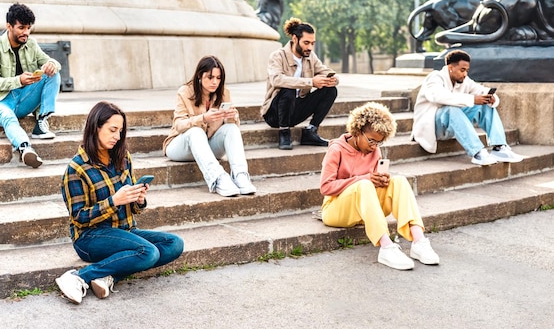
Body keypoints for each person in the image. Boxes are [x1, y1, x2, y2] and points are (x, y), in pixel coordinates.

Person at [56, 101, 184, 304]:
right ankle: (79, 276)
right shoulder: (77, 169)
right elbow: (79, 218)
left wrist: (138, 200)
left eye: (120, 131)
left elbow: (132, 207)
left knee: (174, 244)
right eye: (112, 130)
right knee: (148, 252)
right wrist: (114, 201)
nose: (117, 136)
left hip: (125, 231)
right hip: (90, 237)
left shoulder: (123, 157)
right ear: (95, 127)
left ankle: (108, 276)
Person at [320, 102, 439, 270]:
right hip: (335, 210)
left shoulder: (374, 150)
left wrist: (381, 181)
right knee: (364, 184)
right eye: (371, 141)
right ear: (357, 131)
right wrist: (365, 179)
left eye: (379, 143)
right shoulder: (337, 150)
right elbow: (326, 187)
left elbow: (371, 186)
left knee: (399, 181)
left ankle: (418, 241)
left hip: (364, 209)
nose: (374, 146)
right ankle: (386, 247)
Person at [0, 3, 61, 168]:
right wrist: (18, 81)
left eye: (29, 28)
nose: (26, 33)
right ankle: (25, 148)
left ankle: (41, 123)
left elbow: (51, 62)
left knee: (53, 74)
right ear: (9, 26)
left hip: (23, 99)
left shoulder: (31, 44)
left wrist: (51, 64)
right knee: (8, 117)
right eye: (21, 28)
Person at [163, 55, 256, 197]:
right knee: (195, 132)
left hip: (207, 146)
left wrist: (232, 117)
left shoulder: (224, 93)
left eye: (218, 78)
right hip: (180, 147)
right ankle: (218, 179)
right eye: (210, 77)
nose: (215, 82)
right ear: (200, 75)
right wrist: (202, 118)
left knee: (231, 129)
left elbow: (231, 126)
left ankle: (240, 176)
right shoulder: (185, 92)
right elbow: (179, 125)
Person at [412, 49, 523, 166]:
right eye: (462, 70)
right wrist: (472, 99)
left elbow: (480, 89)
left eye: (467, 70)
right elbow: (437, 96)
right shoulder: (435, 77)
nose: (465, 74)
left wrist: (491, 97)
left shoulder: (464, 81)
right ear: (450, 67)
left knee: (484, 105)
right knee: (452, 109)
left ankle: (499, 147)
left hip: (452, 125)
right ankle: (477, 152)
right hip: (432, 126)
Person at [260, 17, 339, 150]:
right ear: (295, 39)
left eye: (312, 43)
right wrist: (311, 82)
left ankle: (310, 131)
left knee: (331, 90)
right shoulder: (277, 56)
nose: (310, 47)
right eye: (306, 42)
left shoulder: (310, 56)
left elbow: (326, 70)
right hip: (274, 114)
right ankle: (284, 133)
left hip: (296, 109)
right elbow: (277, 79)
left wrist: (332, 79)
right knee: (289, 89)